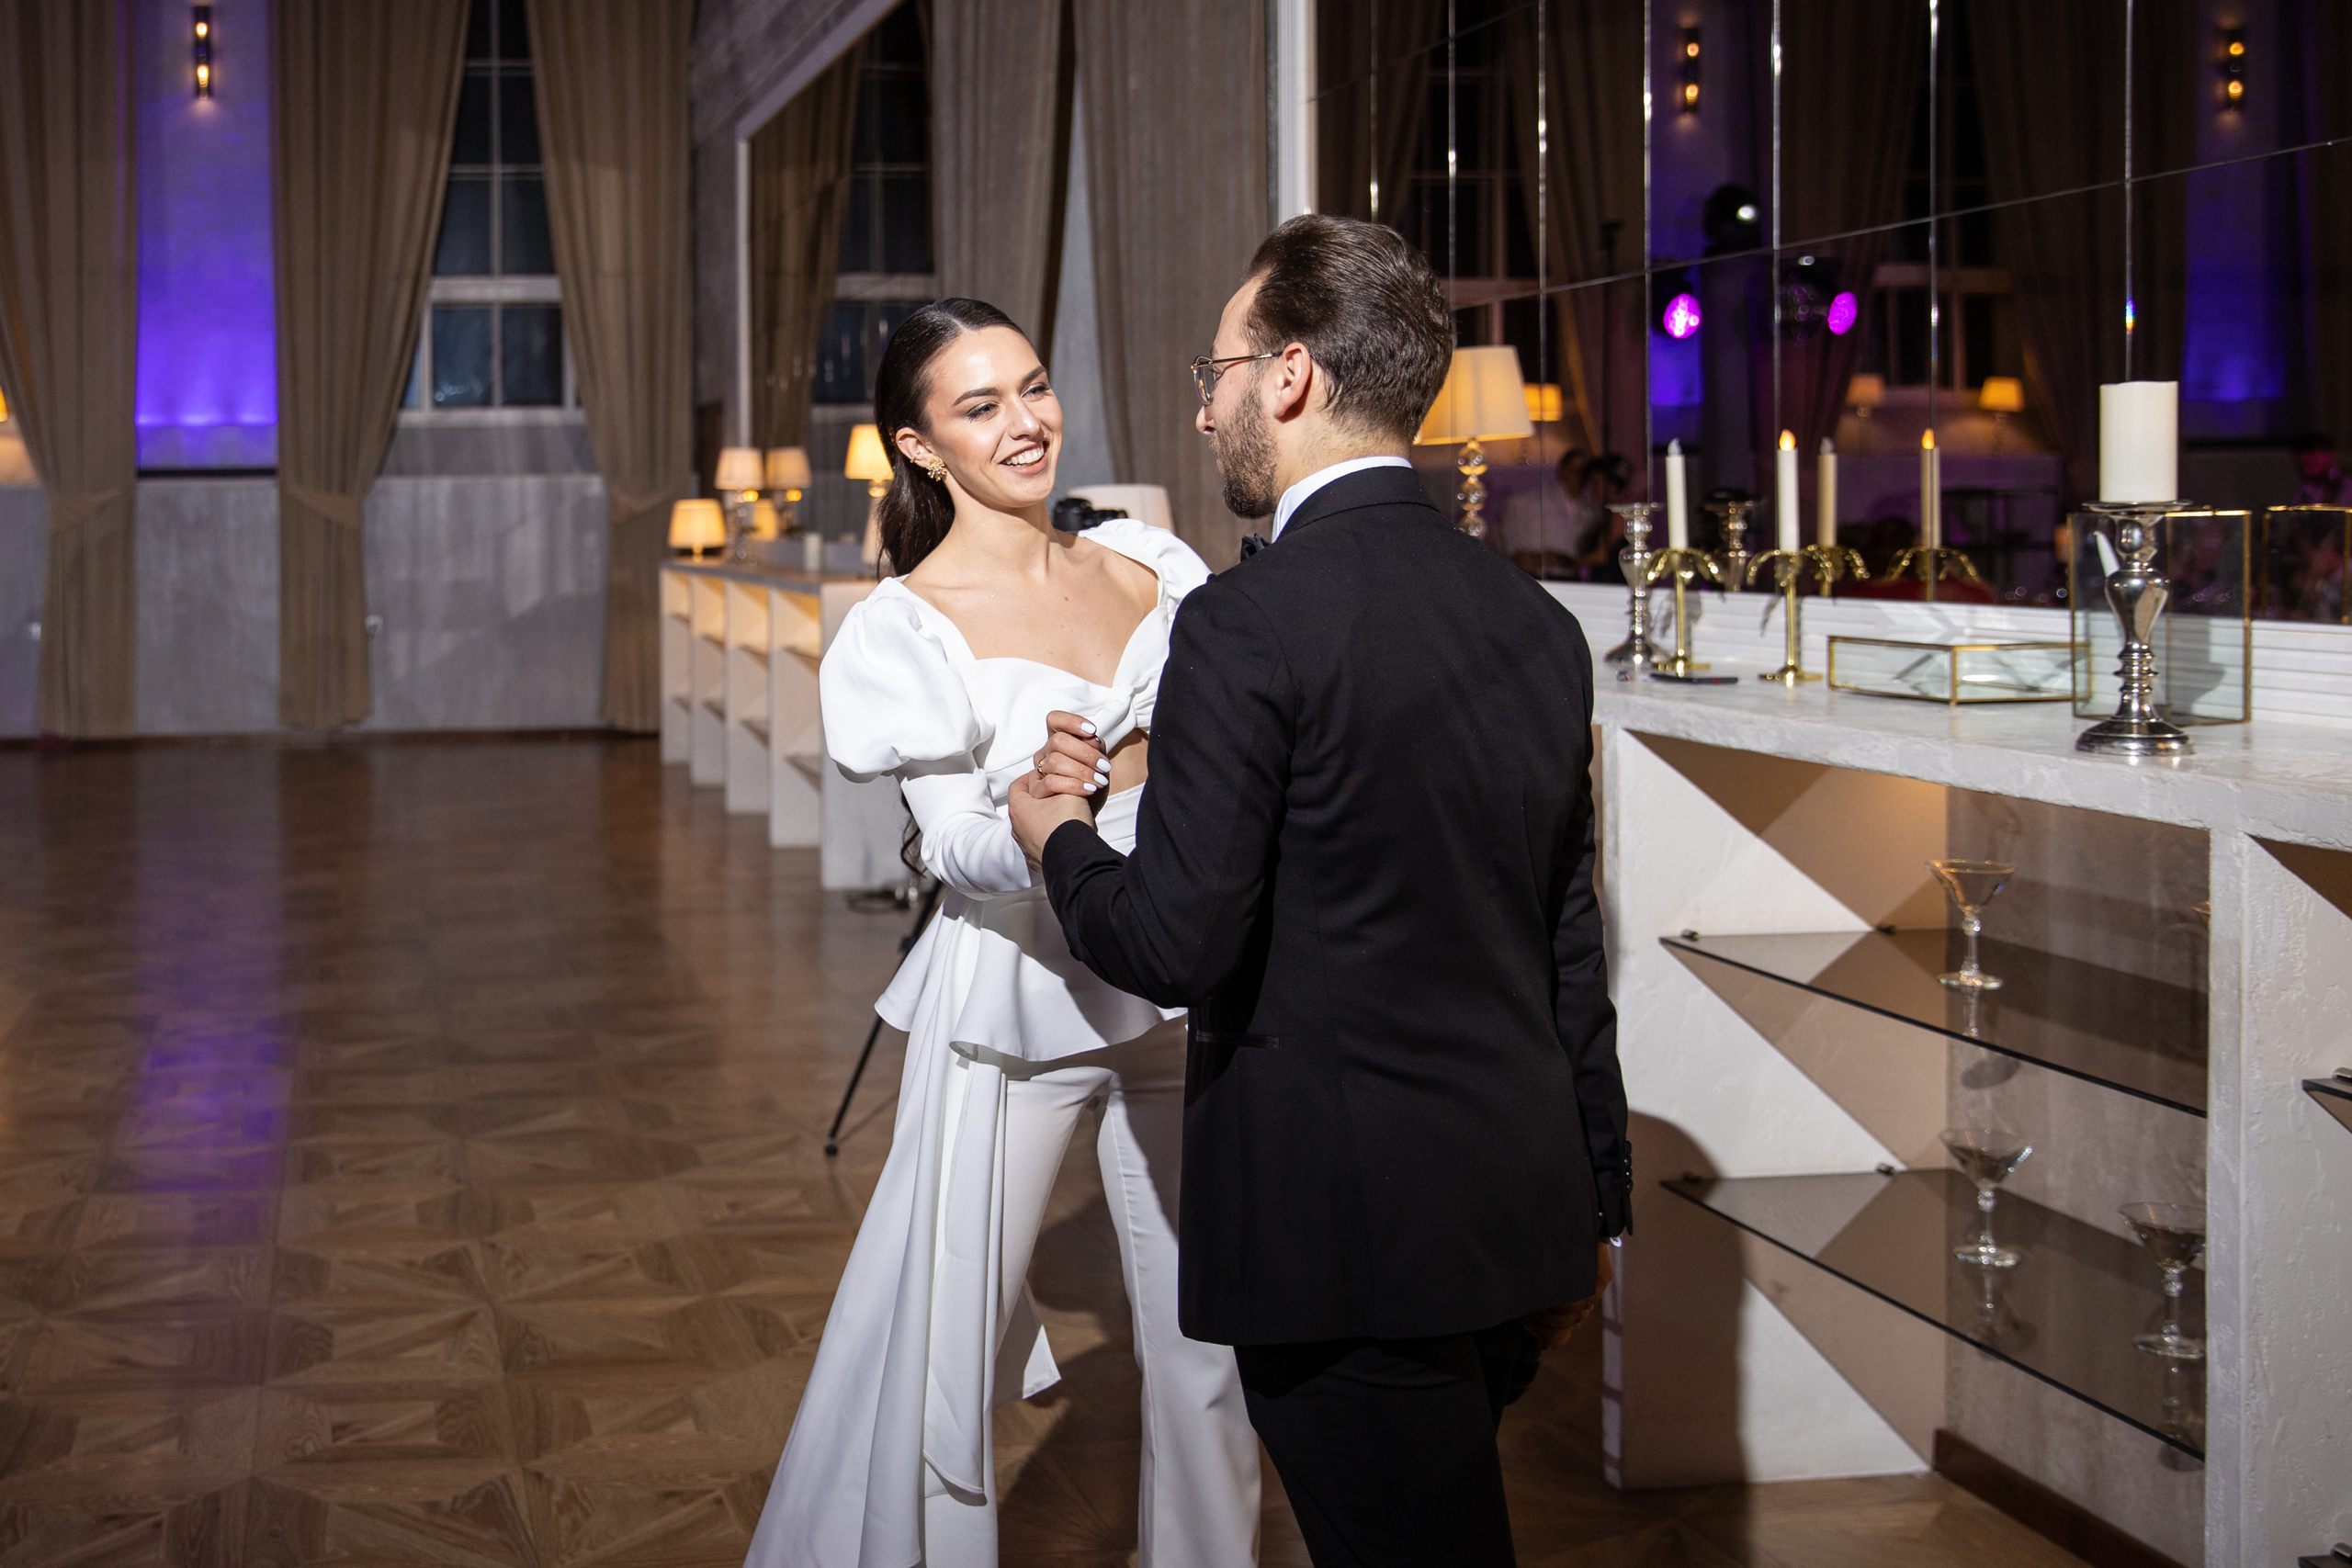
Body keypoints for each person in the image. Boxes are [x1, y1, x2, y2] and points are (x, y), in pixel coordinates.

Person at [1009, 214, 1632, 1567]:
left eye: (1214, 372)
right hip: (1513, 1222)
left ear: (1287, 378)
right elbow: (1567, 942)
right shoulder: (1536, 621)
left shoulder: (1244, 624)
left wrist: (1060, 832)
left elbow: (1174, 939)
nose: (1205, 407)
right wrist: (1597, 1203)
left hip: (1344, 1243)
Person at [745, 299, 1260, 1567]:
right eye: (980, 406)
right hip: (1017, 999)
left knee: (1214, 1336)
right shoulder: (904, 623)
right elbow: (949, 842)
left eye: (1032, 387)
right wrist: (1040, 820)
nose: (1026, 422)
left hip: (1185, 986)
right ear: (920, 448)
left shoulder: (1152, 563)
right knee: (948, 1341)